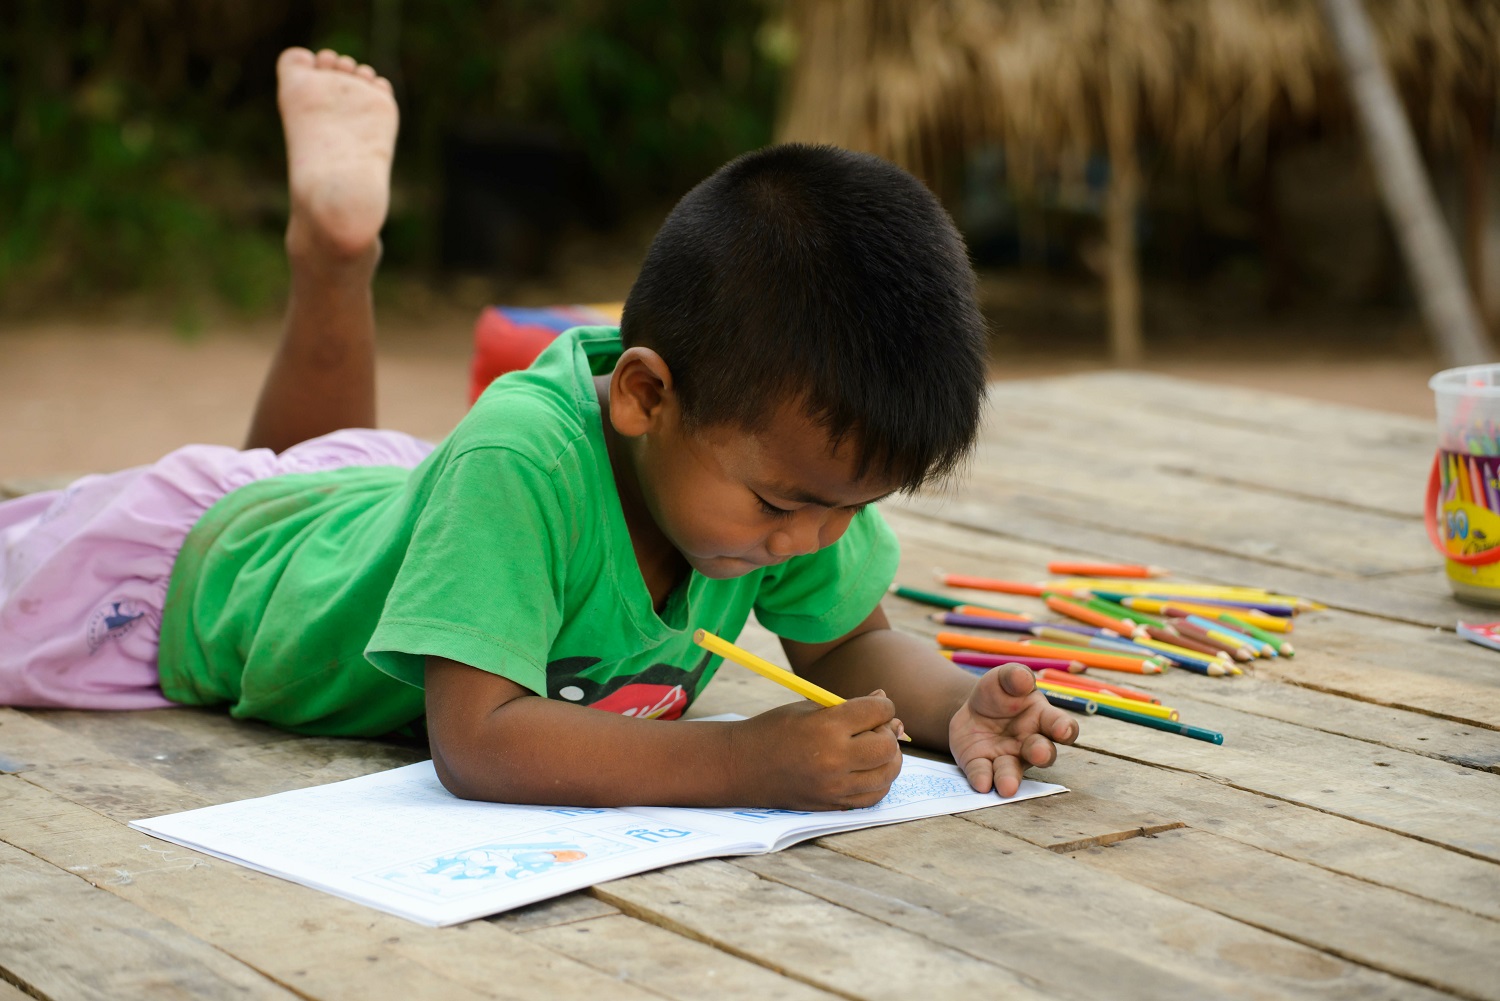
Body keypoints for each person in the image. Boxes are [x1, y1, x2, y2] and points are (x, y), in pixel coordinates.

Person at [0, 47, 1077, 811]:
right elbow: (478, 740)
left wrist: (953, 705)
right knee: (262, 499)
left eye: (847, 511)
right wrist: (743, 762)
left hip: (376, 514)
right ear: (646, 395)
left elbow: (848, 638)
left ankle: (336, 257)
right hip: (193, 584)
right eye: (786, 505)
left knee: (296, 476)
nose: (806, 541)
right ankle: (335, 258)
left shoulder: (775, 484)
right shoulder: (520, 463)